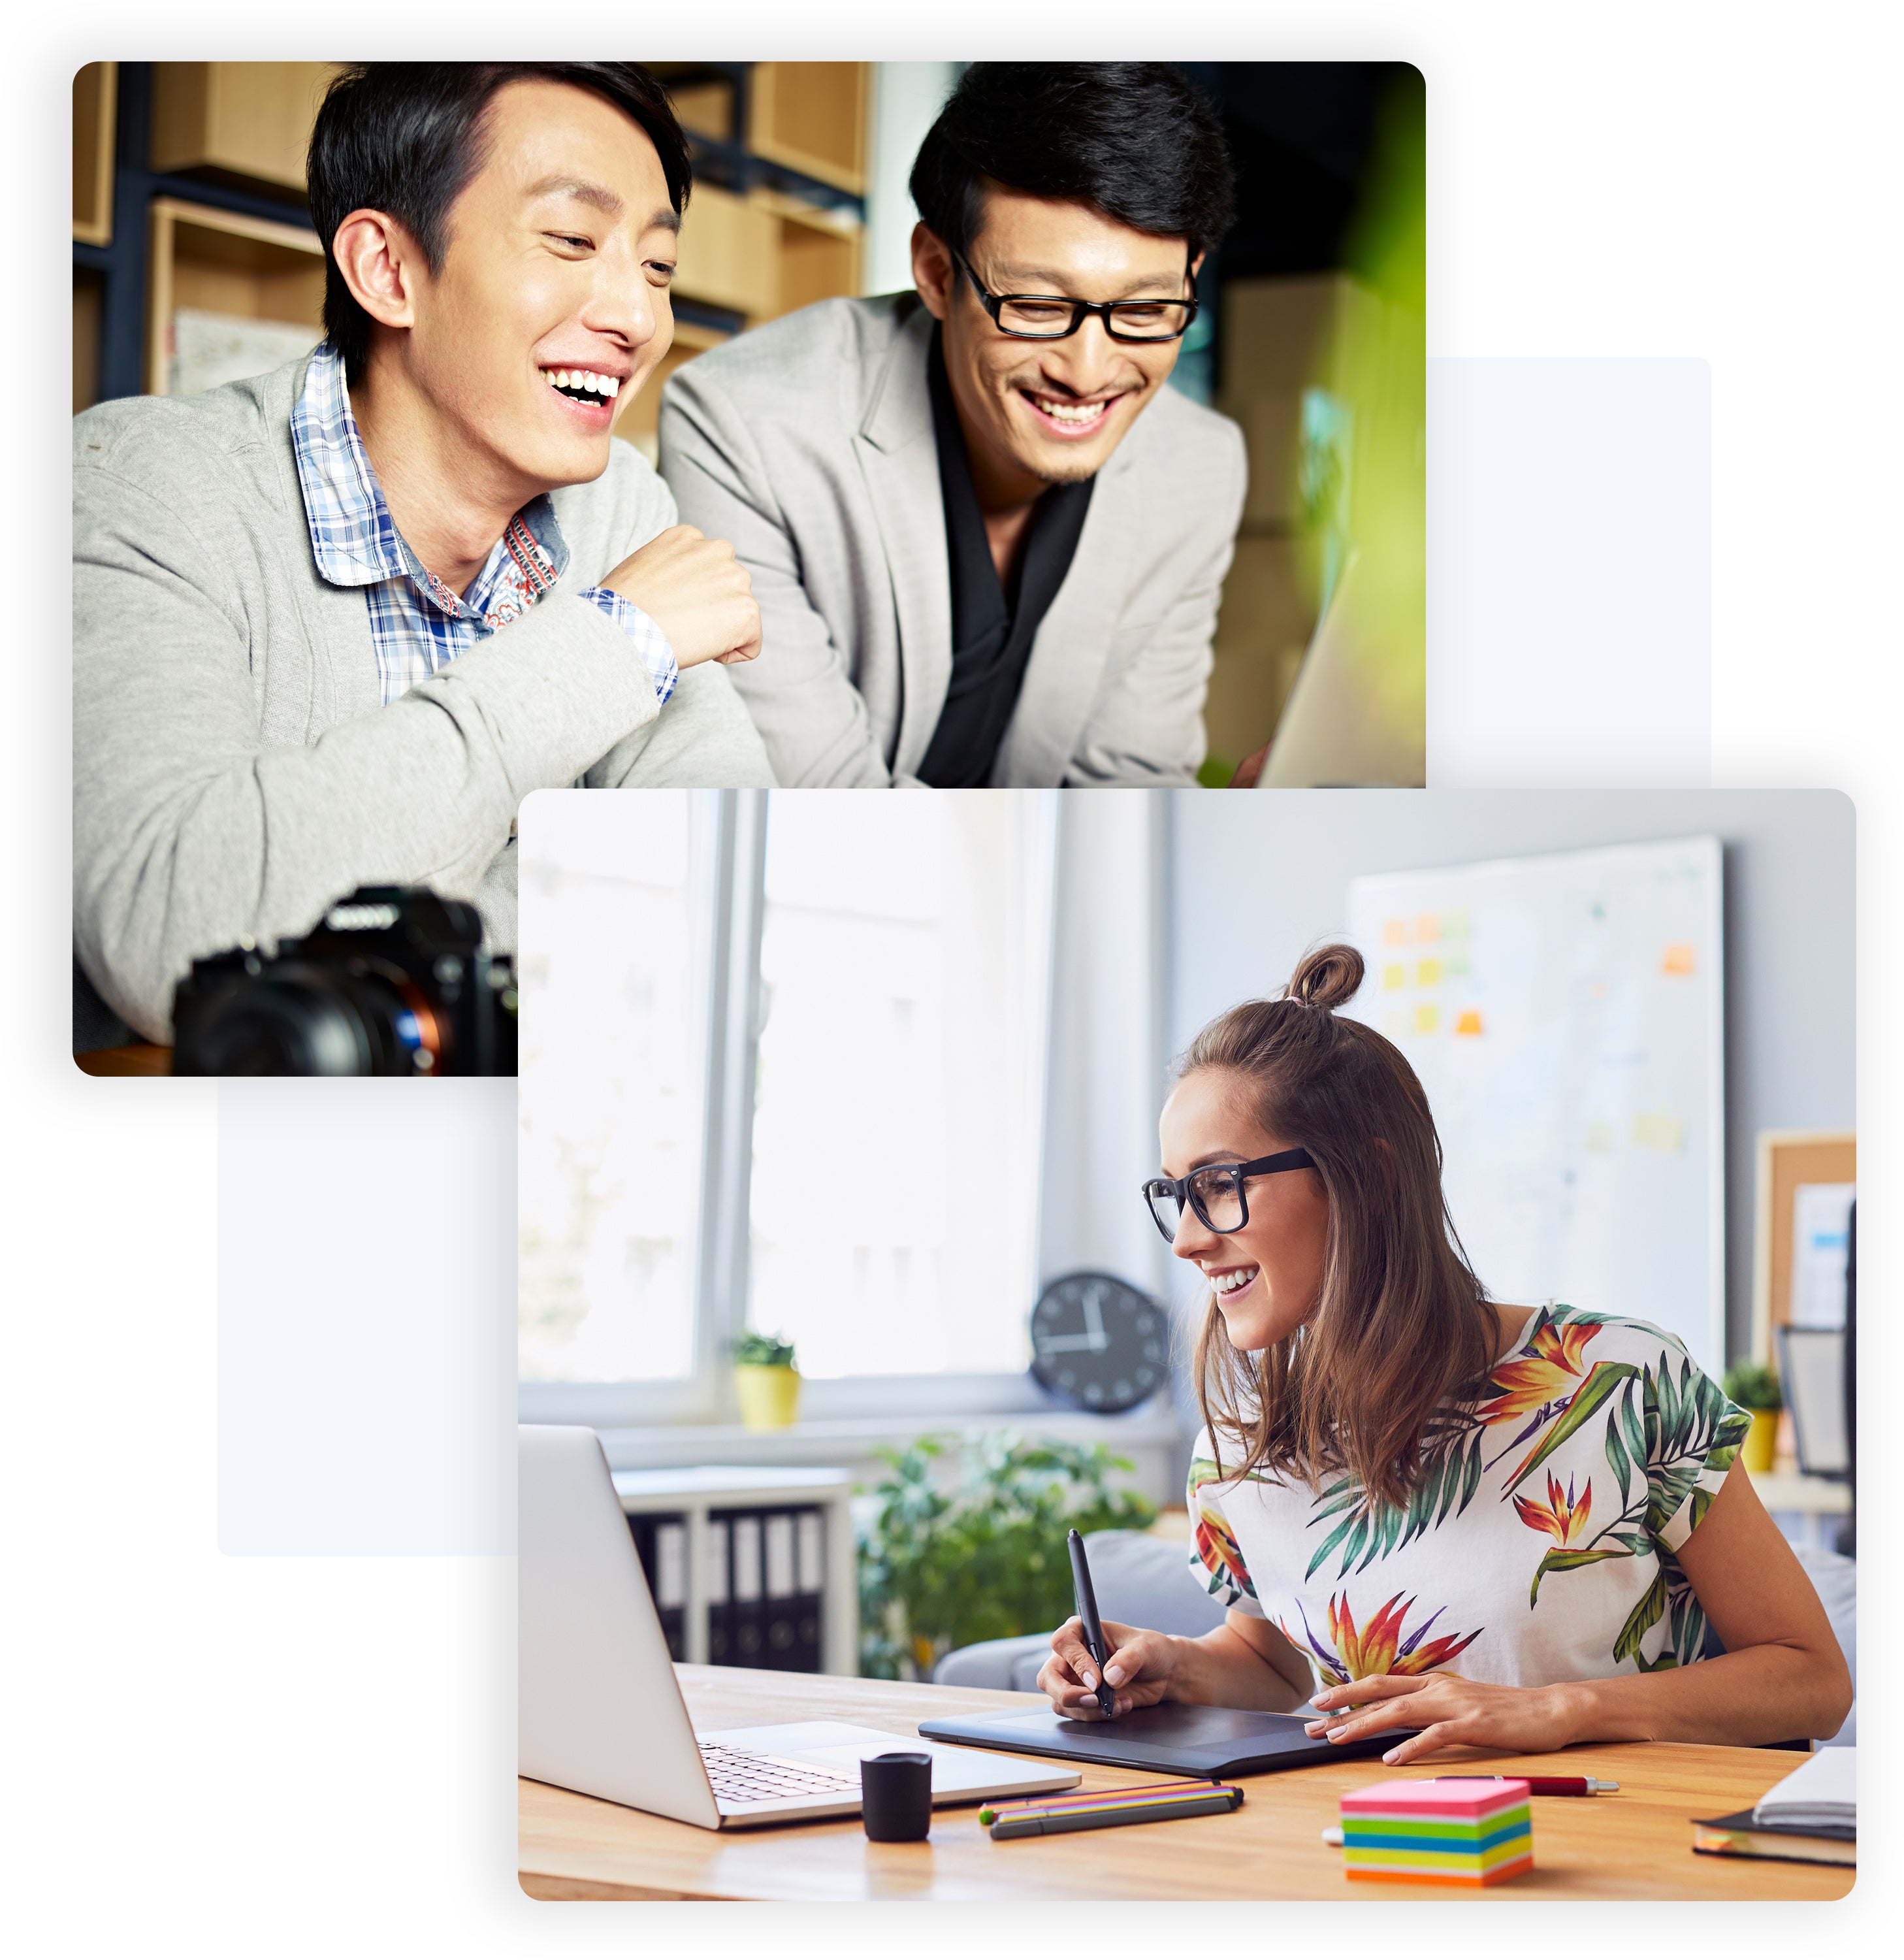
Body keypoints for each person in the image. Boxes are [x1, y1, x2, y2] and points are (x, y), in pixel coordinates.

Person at [73, 62, 771, 1047]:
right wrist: (616, 641)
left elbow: (732, 895)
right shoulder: (138, 484)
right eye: (573, 241)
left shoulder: (618, 502)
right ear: (388, 271)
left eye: (655, 266)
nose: (638, 318)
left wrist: (359, 919)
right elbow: (182, 948)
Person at [1039, 944, 1853, 1760]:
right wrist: (1173, 1667)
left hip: (1628, 1851)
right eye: (1175, 1194)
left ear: (1368, 1176)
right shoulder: (1238, 1441)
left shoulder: (1620, 1381)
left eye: (1218, 1186)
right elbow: (1273, 1661)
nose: (1184, 1240)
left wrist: (1562, 1710)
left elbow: (1810, 1679)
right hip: (1381, 1849)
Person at [659, 63, 1248, 789]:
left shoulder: (1198, 466)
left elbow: (1128, 784)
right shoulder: (745, 426)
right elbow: (821, 806)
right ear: (937, 273)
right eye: (1034, 305)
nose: (1088, 371)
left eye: (1143, 311)